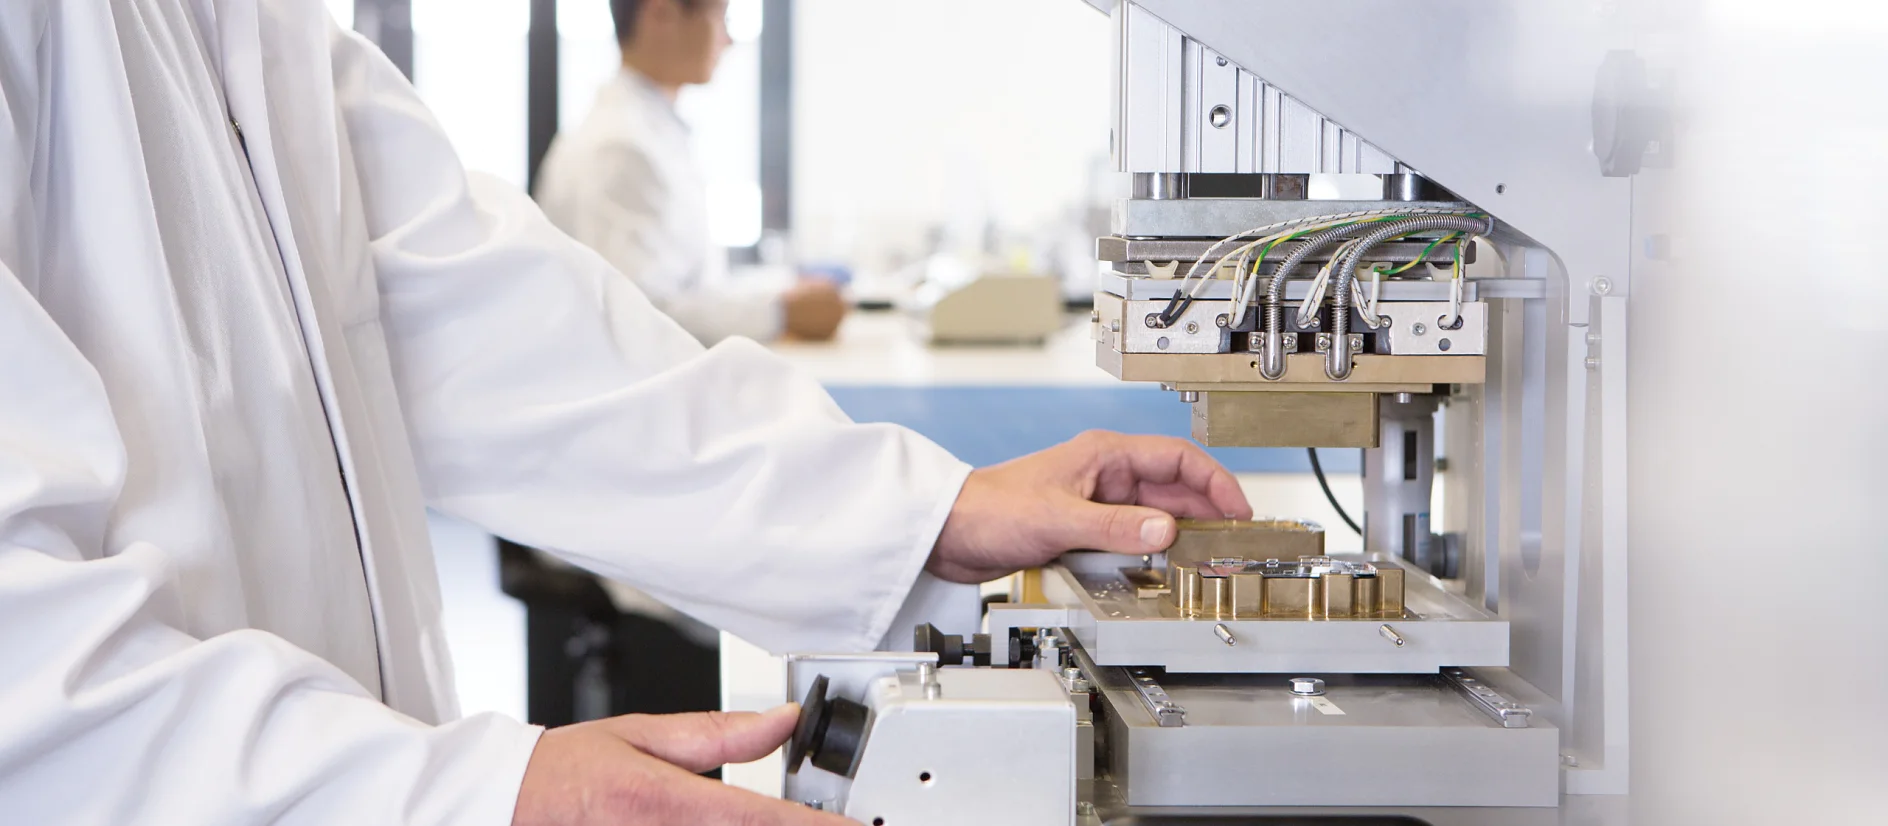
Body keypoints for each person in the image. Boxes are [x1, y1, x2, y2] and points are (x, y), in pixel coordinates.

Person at [0, 2, 1252, 824]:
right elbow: (29, 684)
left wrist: (927, 511)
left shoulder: (247, 26)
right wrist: (478, 793)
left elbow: (489, 322)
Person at [536, 0, 847, 345]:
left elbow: (690, 285)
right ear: (661, 13)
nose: (728, 39)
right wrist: (780, 312)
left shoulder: (647, 131)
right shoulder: (618, 146)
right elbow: (643, 318)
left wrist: (780, 295)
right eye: (720, 17)